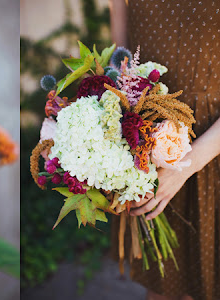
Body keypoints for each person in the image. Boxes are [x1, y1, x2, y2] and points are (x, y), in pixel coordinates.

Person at [109, 1, 220, 299]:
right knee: (162, 284)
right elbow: (120, 60)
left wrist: (186, 163)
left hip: (212, 149)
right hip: (145, 138)